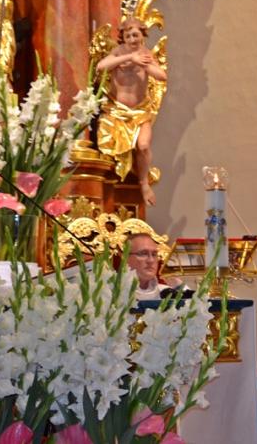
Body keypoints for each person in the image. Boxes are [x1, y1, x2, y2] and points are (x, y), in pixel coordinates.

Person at [96, 17, 167, 207]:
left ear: (143, 35)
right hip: (116, 112)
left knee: (143, 146)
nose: (132, 39)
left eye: (135, 35)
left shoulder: (146, 54)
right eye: (128, 36)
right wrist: (129, 58)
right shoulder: (118, 52)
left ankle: (144, 184)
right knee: (108, 151)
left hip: (140, 112)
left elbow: (162, 76)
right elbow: (101, 66)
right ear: (123, 38)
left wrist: (143, 64)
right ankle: (107, 190)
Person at [126, 233, 184, 301]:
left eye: (154, 254)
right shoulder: (115, 294)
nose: (151, 260)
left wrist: (179, 287)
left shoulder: (167, 293)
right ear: (126, 258)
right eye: (143, 253)